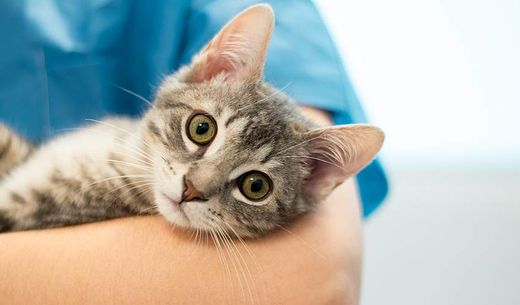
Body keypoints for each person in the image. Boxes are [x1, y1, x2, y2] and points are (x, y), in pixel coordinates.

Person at [0, 1, 388, 304]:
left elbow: (309, 288)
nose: (196, 185)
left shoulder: (112, 192)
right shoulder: (121, 155)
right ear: (208, 71)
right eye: (201, 130)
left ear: (315, 178)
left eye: (254, 186)